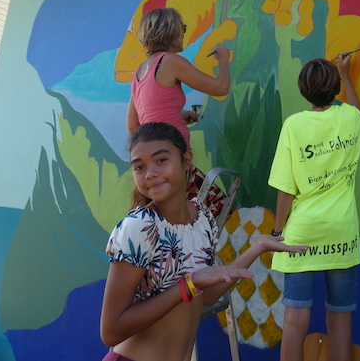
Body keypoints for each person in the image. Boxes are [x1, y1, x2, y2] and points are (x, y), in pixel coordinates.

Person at [100, 122, 307, 361]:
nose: (150, 173)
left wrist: (257, 247)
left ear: (186, 160)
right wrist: (188, 285)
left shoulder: (202, 219)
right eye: (139, 167)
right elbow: (110, 331)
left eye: (161, 160)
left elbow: (203, 298)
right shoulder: (140, 227)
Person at [268, 55, 360, 361]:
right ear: (335, 87)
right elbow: (358, 111)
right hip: (342, 230)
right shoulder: (351, 118)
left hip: (302, 234)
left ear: (303, 90)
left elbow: (286, 187)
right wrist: (346, 75)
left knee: (296, 320)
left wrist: (278, 230)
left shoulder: (294, 125)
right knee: (340, 320)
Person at [127, 7, 229, 217]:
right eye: (182, 28)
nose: (184, 33)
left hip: (154, 162)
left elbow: (134, 126)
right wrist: (223, 60)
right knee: (218, 208)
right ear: (172, 31)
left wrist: (178, 116)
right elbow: (221, 88)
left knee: (172, 218)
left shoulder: (139, 72)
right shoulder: (170, 62)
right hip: (173, 157)